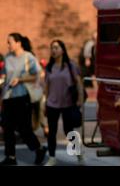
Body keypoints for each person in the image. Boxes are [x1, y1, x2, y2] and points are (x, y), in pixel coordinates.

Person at [0, 33, 47, 166]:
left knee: (23, 128)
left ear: (18, 43)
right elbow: (4, 75)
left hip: (22, 97)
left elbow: (37, 76)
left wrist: (20, 80)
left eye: (10, 42)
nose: (8, 45)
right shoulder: (8, 58)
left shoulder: (28, 57)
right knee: (7, 127)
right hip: (8, 96)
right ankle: (11, 157)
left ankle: (39, 149)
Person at [44, 40, 84, 166]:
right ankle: (52, 157)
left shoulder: (71, 66)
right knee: (52, 132)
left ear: (62, 49)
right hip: (52, 104)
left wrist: (80, 100)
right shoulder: (49, 67)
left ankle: (79, 153)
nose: (53, 50)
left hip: (68, 104)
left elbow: (78, 83)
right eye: (52, 48)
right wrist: (44, 103)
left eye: (56, 47)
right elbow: (46, 87)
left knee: (69, 131)